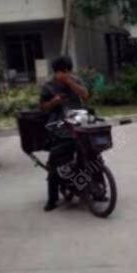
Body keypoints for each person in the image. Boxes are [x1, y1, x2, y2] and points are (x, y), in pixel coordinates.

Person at [39, 56, 89, 211]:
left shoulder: (75, 80)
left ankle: (97, 189)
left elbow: (85, 95)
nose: (67, 74)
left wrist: (71, 83)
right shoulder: (48, 86)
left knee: (92, 153)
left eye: (68, 71)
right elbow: (42, 107)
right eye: (63, 72)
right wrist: (53, 102)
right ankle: (52, 199)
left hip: (78, 123)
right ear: (56, 72)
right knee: (55, 158)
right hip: (58, 126)